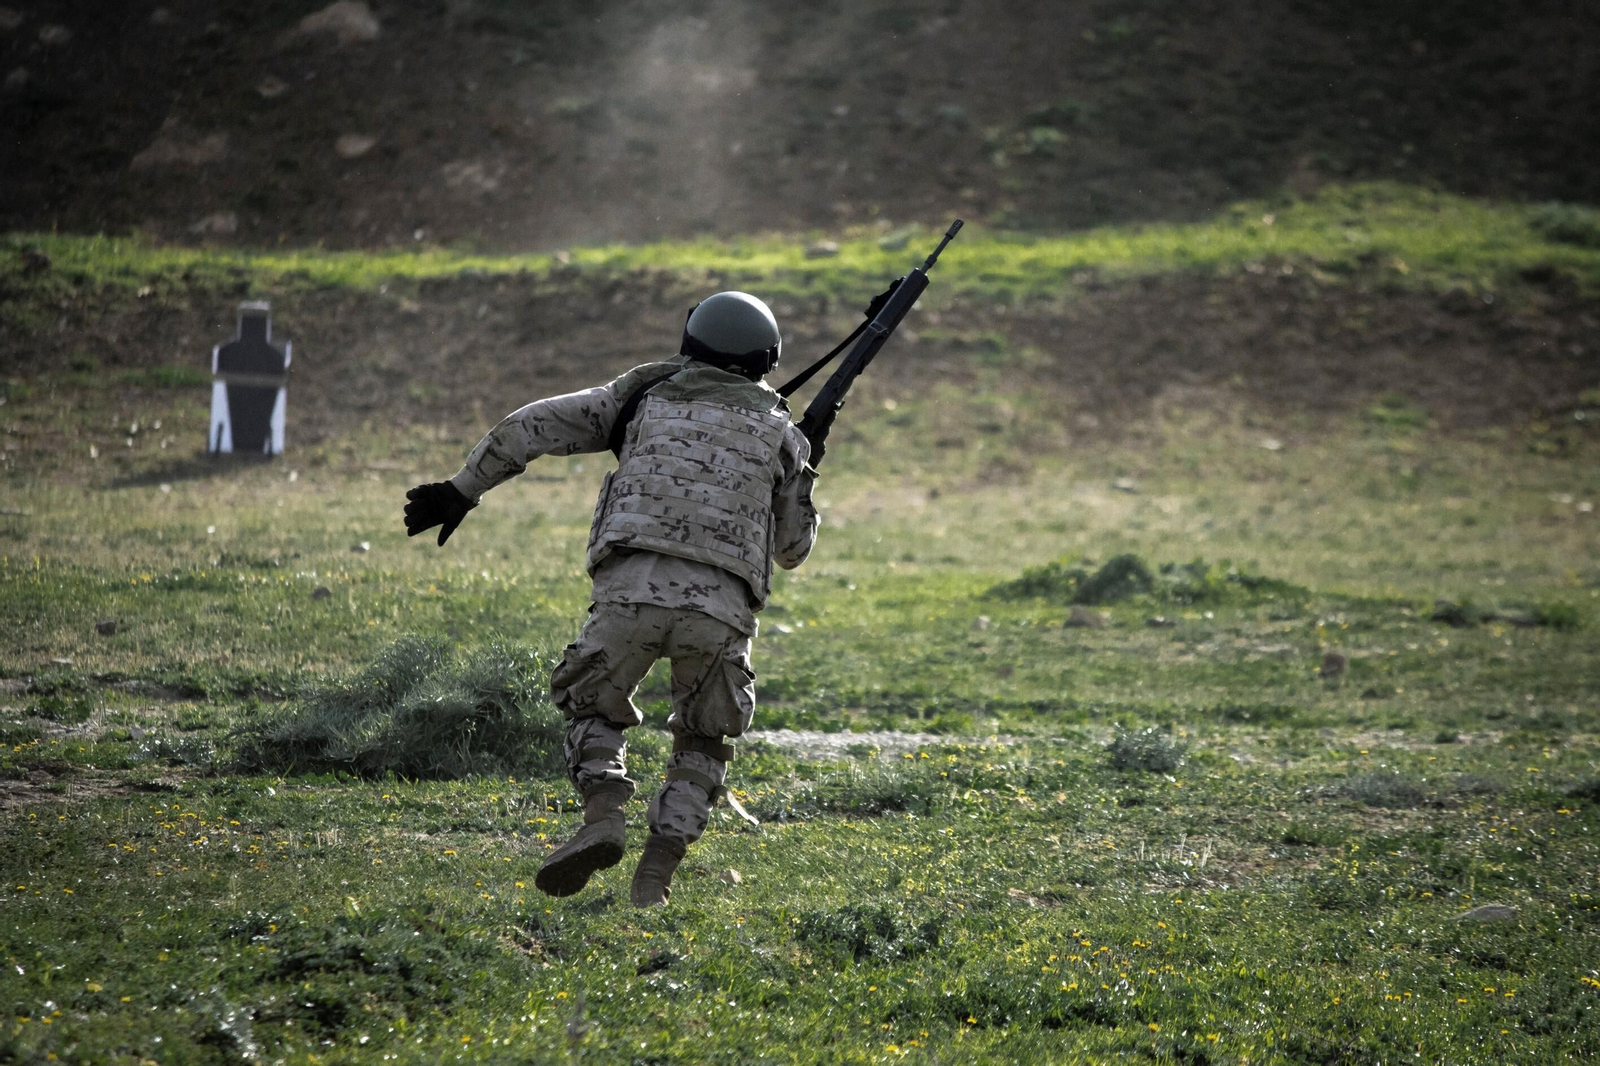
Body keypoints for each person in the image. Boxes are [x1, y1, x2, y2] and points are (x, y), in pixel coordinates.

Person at [403, 291, 818, 907]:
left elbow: (532, 425)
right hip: (719, 614)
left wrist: (462, 490)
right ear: (768, 359)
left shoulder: (643, 397)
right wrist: (808, 469)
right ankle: (656, 873)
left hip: (630, 596)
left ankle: (603, 815)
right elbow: (791, 550)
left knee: (591, 705)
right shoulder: (783, 436)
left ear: (690, 345)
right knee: (703, 740)